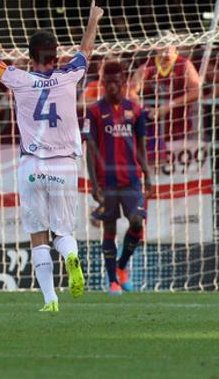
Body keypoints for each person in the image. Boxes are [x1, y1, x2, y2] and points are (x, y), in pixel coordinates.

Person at [0, 0, 103, 312]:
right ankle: (71, 255)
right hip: (64, 164)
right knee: (64, 232)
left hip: (32, 165)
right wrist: (92, 20)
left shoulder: (18, 77)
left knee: (37, 235)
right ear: (57, 55)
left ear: (29, 57)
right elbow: (86, 51)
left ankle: (50, 300)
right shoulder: (69, 75)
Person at [85, 60, 152, 295]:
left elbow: (141, 148)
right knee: (109, 229)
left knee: (137, 222)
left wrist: (149, 176)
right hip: (108, 182)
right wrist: (94, 184)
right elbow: (89, 150)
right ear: (103, 83)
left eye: (116, 82)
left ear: (123, 83)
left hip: (132, 180)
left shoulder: (135, 110)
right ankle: (112, 280)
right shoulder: (93, 111)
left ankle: (122, 267)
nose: (112, 86)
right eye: (108, 82)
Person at [129, 31, 202, 146]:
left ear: (175, 45)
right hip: (154, 126)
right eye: (163, 44)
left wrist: (169, 105)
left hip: (180, 124)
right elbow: (131, 91)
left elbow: (197, 92)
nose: (167, 48)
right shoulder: (147, 67)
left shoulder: (184, 64)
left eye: (171, 44)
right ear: (156, 46)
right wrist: (143, 107)